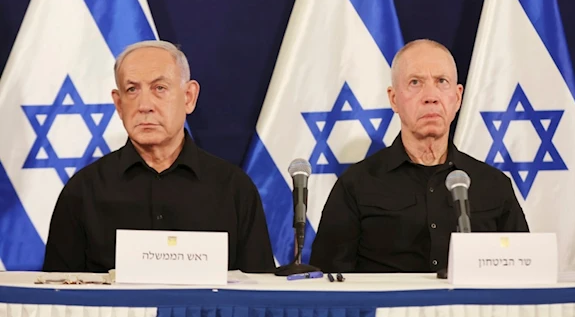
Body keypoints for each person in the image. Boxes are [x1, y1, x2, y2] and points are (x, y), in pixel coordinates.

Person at [43, 40, 274, 273]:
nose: (144, 105)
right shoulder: (83, 191)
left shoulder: (233, 189)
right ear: (119, 104)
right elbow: (58, 298)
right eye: (132, 90)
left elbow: (259, 295)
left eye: (159, 88)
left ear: (189, 97)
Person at [309, 39, 529, 273]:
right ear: (394, 99)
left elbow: (523, 272)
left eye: (441, 82)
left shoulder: (494, 185)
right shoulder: (356, 185)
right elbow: (328, 284)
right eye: (415, 82)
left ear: (457, 98)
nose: (431, 96)